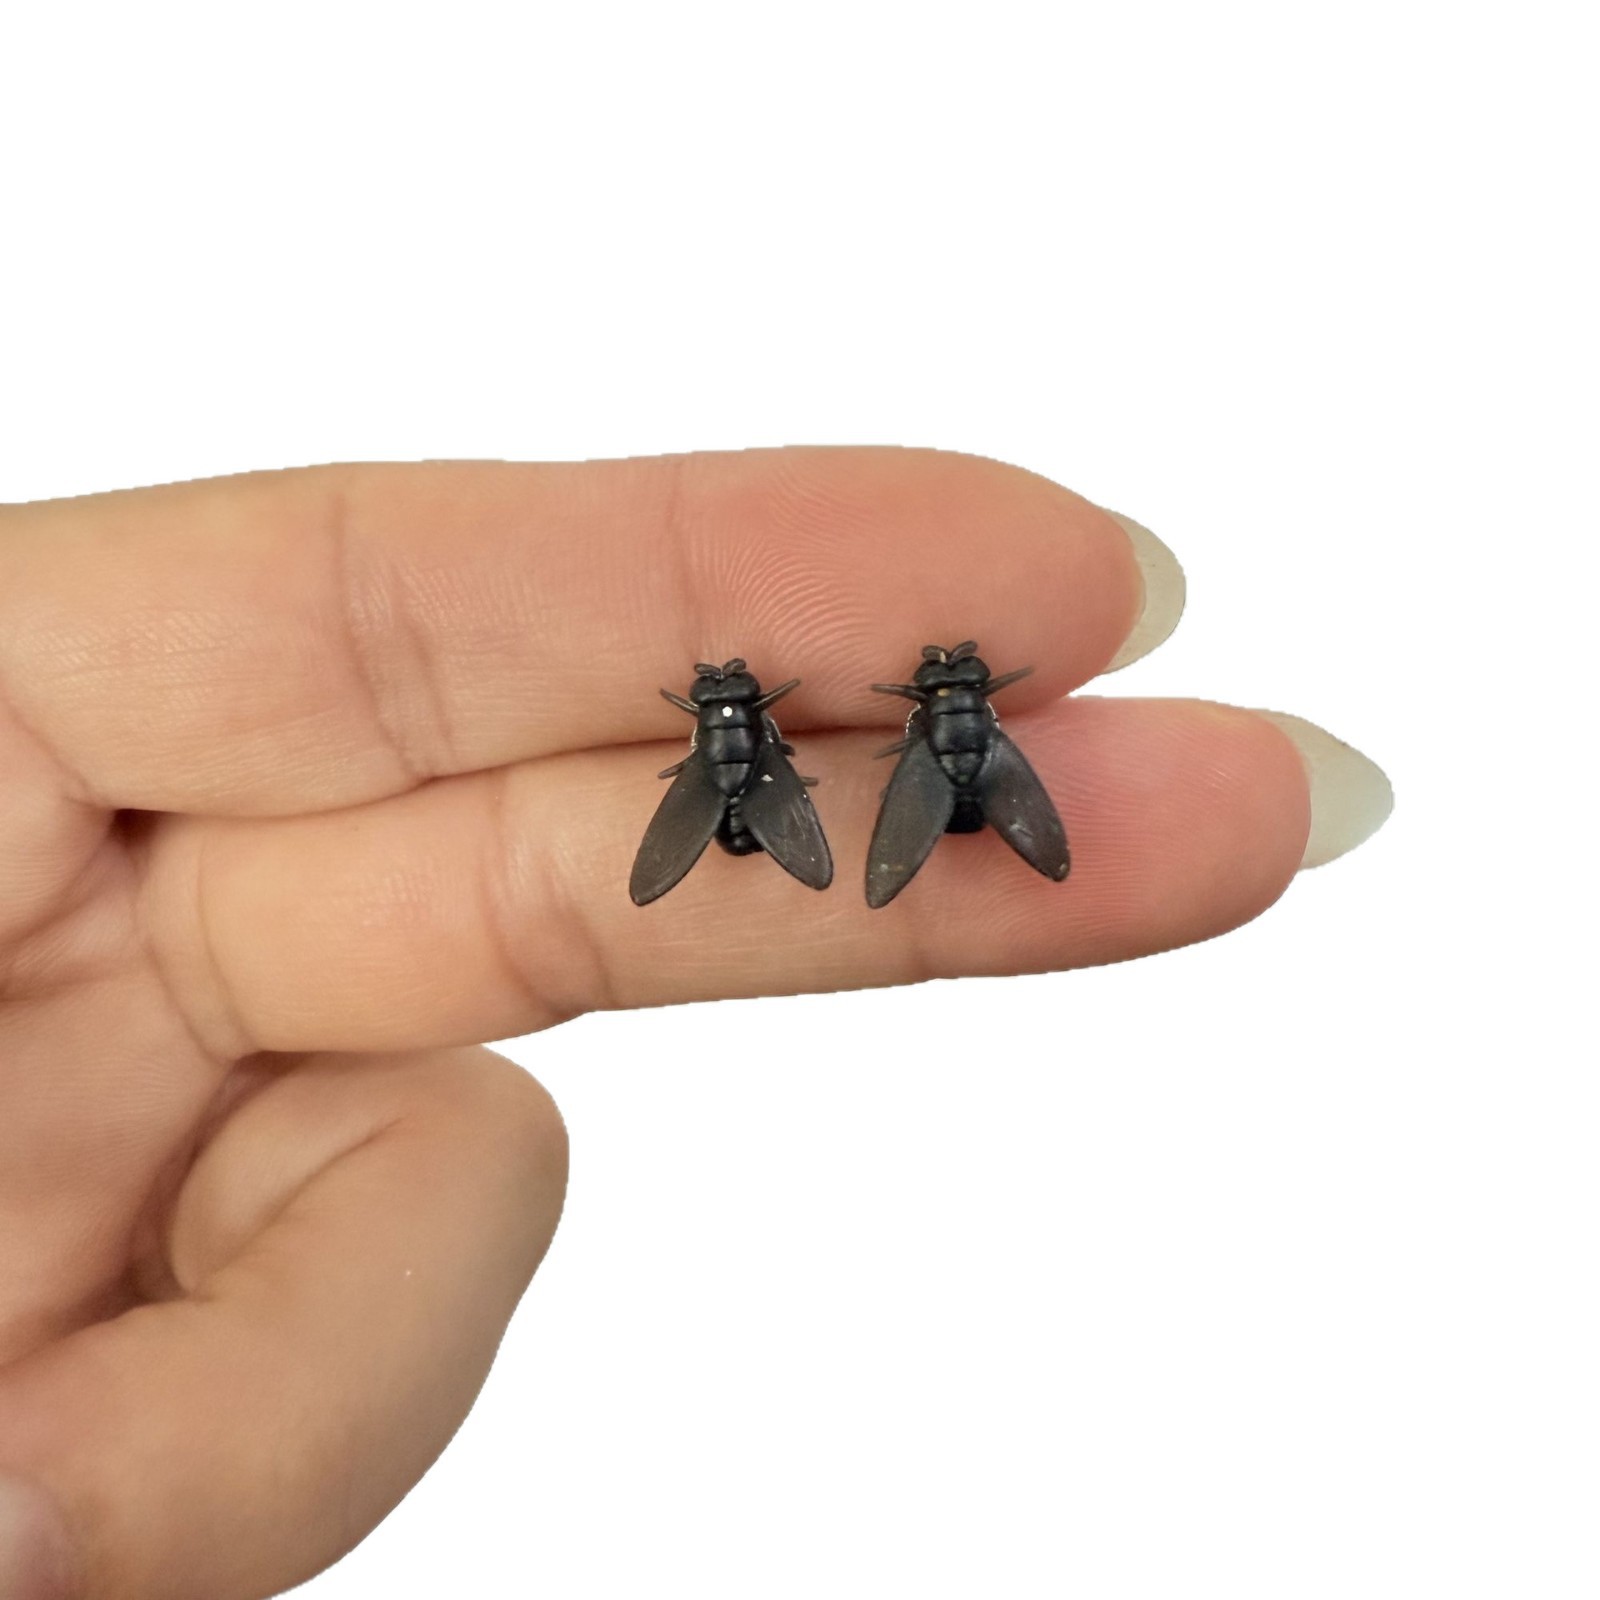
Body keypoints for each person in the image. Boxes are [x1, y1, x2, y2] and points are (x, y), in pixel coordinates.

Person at [0, 447, 1390, 1599]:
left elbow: (797, 768)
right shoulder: (876, 727)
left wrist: (781, 762)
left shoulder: (792, 731)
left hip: (790, 795)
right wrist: (842, 763)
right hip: (846, 793)